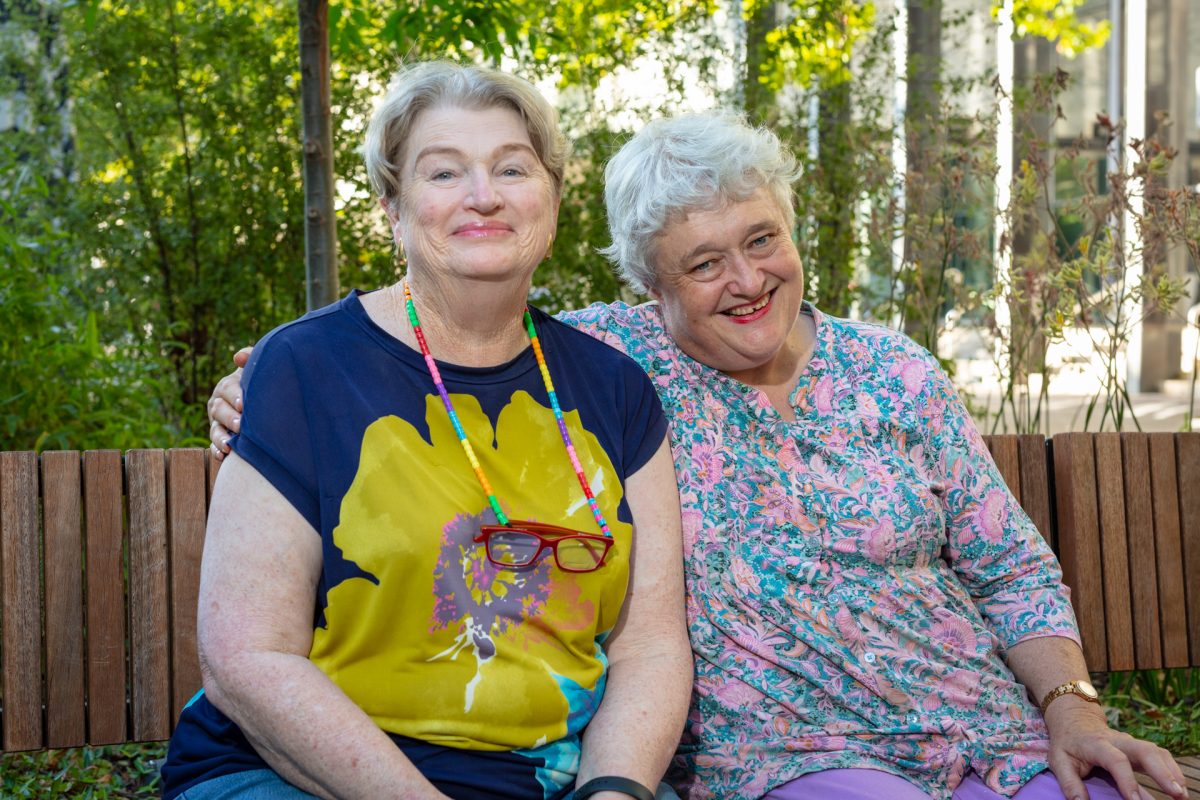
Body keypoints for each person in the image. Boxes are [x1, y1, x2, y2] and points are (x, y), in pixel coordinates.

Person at [205, 111, 1188, 800]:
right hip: (788, 754)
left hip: (989, 725)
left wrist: (1071, 708)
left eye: (761, 241)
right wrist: (267, 377)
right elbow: (453, 315)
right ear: (649, 286)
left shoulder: (894, 371)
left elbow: (1008, 561)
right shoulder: (614, 367)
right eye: (703, 263)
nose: (748, 280)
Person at [164, 61, 692, 800]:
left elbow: (650, 648)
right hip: (306, 777)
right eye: (444, 173)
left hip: (552, 780)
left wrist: (614, 791)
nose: (484, 196)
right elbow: (248, 656)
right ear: (393, 205)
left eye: (511, 168)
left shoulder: (615, 390)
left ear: (552, 196)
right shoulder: (307, 368)